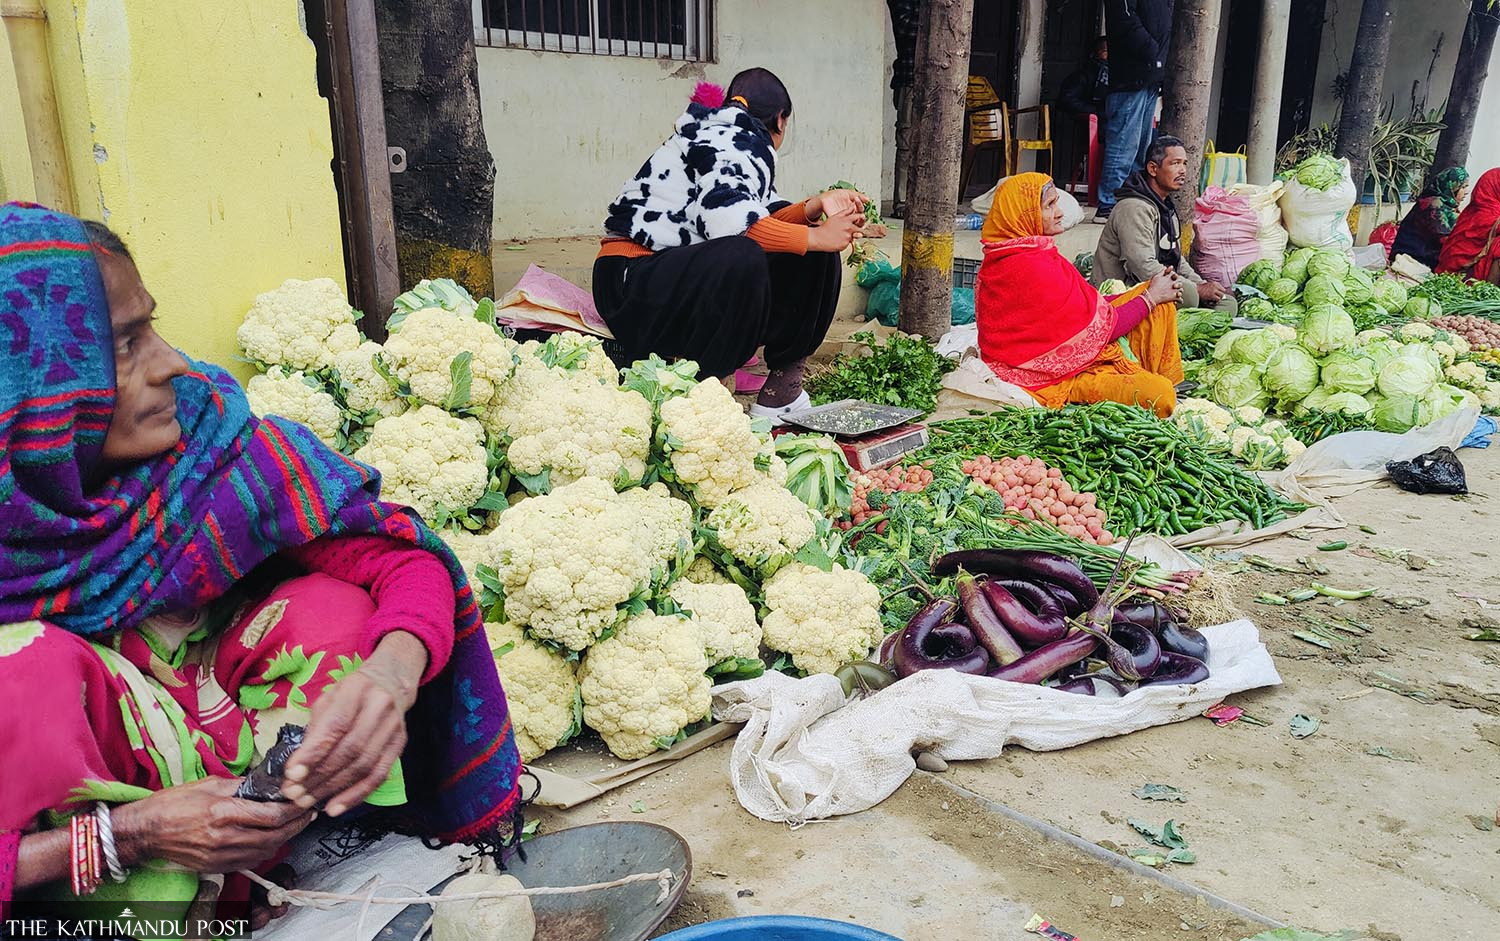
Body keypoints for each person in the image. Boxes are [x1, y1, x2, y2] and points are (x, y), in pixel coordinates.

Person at [0, 205, 523, 924]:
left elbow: (401, 560)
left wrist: (390, 672)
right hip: (97, 859)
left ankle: (290, 872)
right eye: (125, 344)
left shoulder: (207, 438)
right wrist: (132, 833)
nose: (171, 363)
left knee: (334, 612)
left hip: (236, 766)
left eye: (152, 325)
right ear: (30, 387)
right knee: (24, 673)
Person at [593, 68, 867, 423]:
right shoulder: (734, 139)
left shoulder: (727, 134)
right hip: (629, 284)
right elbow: (727, 225)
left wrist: (814, 208)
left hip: (665, 277)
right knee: (745, 255)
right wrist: (815, 236)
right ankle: (708, 395)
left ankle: (781, 394)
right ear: (781, 121)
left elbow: (755, 218)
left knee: (808, 253)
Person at [976, 173, 1184, 418]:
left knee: (1158, 302)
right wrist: (1149, 298)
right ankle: (1152, 381)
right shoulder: (1031, 266)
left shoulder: (1028, 252)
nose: (1059, 212)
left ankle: (1149, 373)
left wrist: (1149, 294)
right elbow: (1102, 329)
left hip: (1069, 356)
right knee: (1160, 394)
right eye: (1049, 206)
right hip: (1049, 377)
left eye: (1056, 203)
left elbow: (1084, 309)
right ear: (1025, 215)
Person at [1093, 136, 1237, 314]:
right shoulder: (1133, 207)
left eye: (1184, 163)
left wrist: (1202, 284)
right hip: (1125, 292)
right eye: (1175, 163)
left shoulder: (1165, 207)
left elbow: (1177, 260)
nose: (1182, 170)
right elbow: (1142, 266)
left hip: (1161, 284)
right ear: (1153, 169)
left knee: (1226, 303)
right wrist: (1196, 289)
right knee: (1190, 295)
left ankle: (1187, 325)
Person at [1095, 0, 1172, 223]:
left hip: (1151, 76)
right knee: (1123, 146)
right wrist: (1153, 52)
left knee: (1142, 147)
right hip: (1131, 77)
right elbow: (1125, 22)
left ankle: (1131, 202)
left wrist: (1160, 64)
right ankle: (1108, 203)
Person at [1390, 167, 1470, 269]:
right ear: (1451, 186)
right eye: (1463, 187)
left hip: (1423, 257)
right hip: (1410, 259)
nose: (1466, 192)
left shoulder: (1446, 205)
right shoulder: (1433, 205)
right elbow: (1446, 239)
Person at [1436, 167, 1500, 285]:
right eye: (1463, 187)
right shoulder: (1484, 213)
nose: (1466, 191)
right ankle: (1491, 293)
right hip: (1458, 271)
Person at [1057, 37, 1110, 119]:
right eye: (1105, 51)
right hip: (1089, 123)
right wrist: (1096, 111)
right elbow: (1066, 100)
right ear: (1094, 54)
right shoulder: (1082, 76)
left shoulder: (1117, 74)